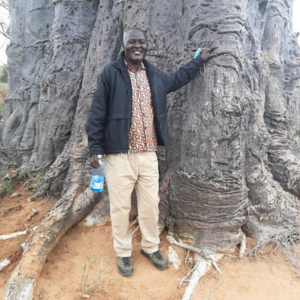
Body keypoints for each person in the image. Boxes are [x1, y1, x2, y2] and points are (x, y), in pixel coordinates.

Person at [88, 27, 217, 277]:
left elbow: (178, 78)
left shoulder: (155, 76)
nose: (137, 46)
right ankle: (124, 252)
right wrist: (95, 148)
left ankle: (150, 247)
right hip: (118, 157)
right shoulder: (110, 74)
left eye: (141, 42)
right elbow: (97, 113)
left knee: (150, 206)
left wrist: (197, 60)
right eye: (132, 42)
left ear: (147, 46)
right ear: (124, 45)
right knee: (120, 208)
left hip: (148, 156)